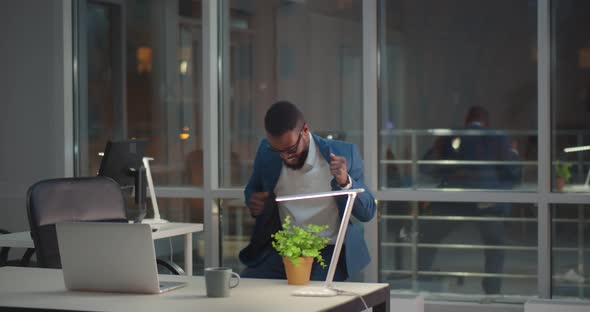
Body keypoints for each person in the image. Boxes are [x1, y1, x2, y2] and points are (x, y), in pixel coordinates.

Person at [238, 101, 376, 281]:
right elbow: (252, 189)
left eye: (291, 149)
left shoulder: (343, 153)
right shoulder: (266, 151)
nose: (285, 156)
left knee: (312, 302)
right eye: (278, 150)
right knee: (246, 287)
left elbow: (367, 212)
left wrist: (345, 181)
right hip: (286, 248)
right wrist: (253, 201)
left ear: (305, 130)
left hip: (328, 250)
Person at [418, 106, 522, 294]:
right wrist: (513, 154)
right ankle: (492, 291)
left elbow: (426, 169)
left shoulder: (453, 136)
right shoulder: (499, 137)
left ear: (467, 119)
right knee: (495, 245)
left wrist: (437, 147)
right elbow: (513, 173)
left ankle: (419, 280)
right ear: (487, 122)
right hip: (487, 203)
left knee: (429, 236)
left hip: (453, 202)